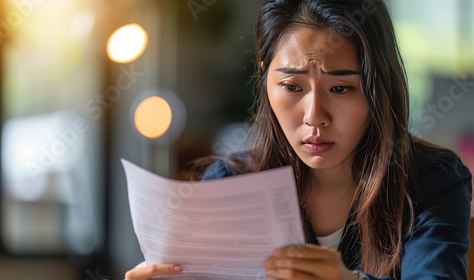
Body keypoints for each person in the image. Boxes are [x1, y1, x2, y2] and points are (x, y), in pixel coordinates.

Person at [125, 0, 473, 279]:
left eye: (341, 88)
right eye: (292, 87)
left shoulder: (432, 181)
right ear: (264, 75)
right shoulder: (232, 185)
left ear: (376, 87)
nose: (314, 116)